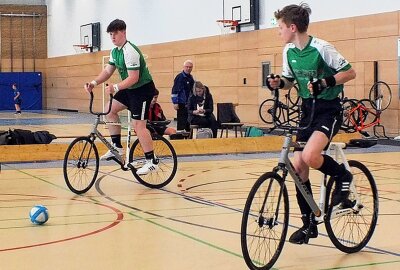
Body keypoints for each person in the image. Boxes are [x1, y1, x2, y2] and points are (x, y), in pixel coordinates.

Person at [267, 3, 356, 245]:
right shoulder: (288, 51)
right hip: (308, 111)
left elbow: (349, 72)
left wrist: (326, 82)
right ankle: (309, 224)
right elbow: (288, 81)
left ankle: (344, 176)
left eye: (280, 27)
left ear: (292, 27)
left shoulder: (322, 48)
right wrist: (278, 83)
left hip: (329, 110)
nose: (278, 32)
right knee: (297, 167)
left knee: (309, 155)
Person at [84, 19, 158, 175]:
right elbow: (107, 71)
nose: (112, 37)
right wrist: (94, 82)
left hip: (142, 90)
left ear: (123, 32)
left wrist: (115, 87)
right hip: (130, 89)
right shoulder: (114, 51)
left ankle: (151, 161)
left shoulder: (130, 51)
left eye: (115, 33)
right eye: (110, 34)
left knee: (139, 126)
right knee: (109, 110)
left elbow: (134, 78)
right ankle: (116, 146)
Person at [171, 60, 194, 132]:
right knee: (181, 123)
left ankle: (189, 140)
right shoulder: (179, 77)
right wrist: (175, 102)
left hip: (189, 104)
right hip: (181, 104)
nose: (188, 68)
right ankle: (180, 139)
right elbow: (175, 90)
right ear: (183, 67)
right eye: (187, 67)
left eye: (190, 67)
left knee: (189, 123)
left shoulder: (191, 78)